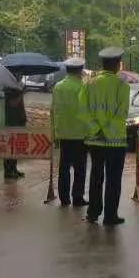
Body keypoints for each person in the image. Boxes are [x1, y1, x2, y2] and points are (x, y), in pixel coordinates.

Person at [85, 46, 130, 226]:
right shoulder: (122, 86)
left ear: (102, 64)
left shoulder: (88, 84)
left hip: (95, 139)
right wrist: (108, 128)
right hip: (116, 141)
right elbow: (122, 113)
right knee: (113, 179)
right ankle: (110, 216)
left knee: (96, 176)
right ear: (118, 65)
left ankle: (93, 213)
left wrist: (97, 128)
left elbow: (83, 111)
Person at [52, 57, 89, 207]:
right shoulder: (83, 87)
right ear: (80, 70)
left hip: (63, 133)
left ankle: (64, 198)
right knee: (80, 168)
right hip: (80, 134)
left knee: (64, 167)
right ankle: (77, 197)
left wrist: (54, 133)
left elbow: (54, 110)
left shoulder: (58, 87)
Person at [3, 83, 28, 181]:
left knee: (16, 147)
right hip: (11, 122)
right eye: (18, 74)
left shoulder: (17, 87)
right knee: (9, 147)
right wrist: (22, 93)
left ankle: (14, 168)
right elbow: (12, 103)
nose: (20, 76)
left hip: (19, 121)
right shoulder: (8, 89)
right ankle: (8, 171)